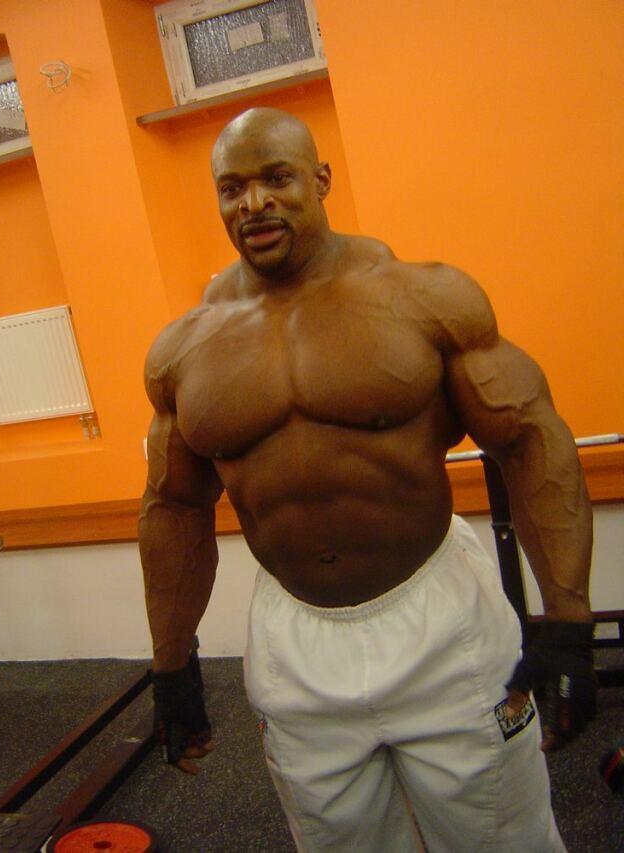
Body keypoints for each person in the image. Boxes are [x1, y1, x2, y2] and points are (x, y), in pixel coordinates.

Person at [138, 107, 596, 852]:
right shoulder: (184, 349)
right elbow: (173, 507)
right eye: (232, 188)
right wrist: (171, 665)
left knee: (501, 838)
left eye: (277, 178)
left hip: (439, 619)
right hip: (296, 640)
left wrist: (569, 622)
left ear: (320, 180)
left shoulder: (424, 298)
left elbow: (530, 439)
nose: (254, 203)